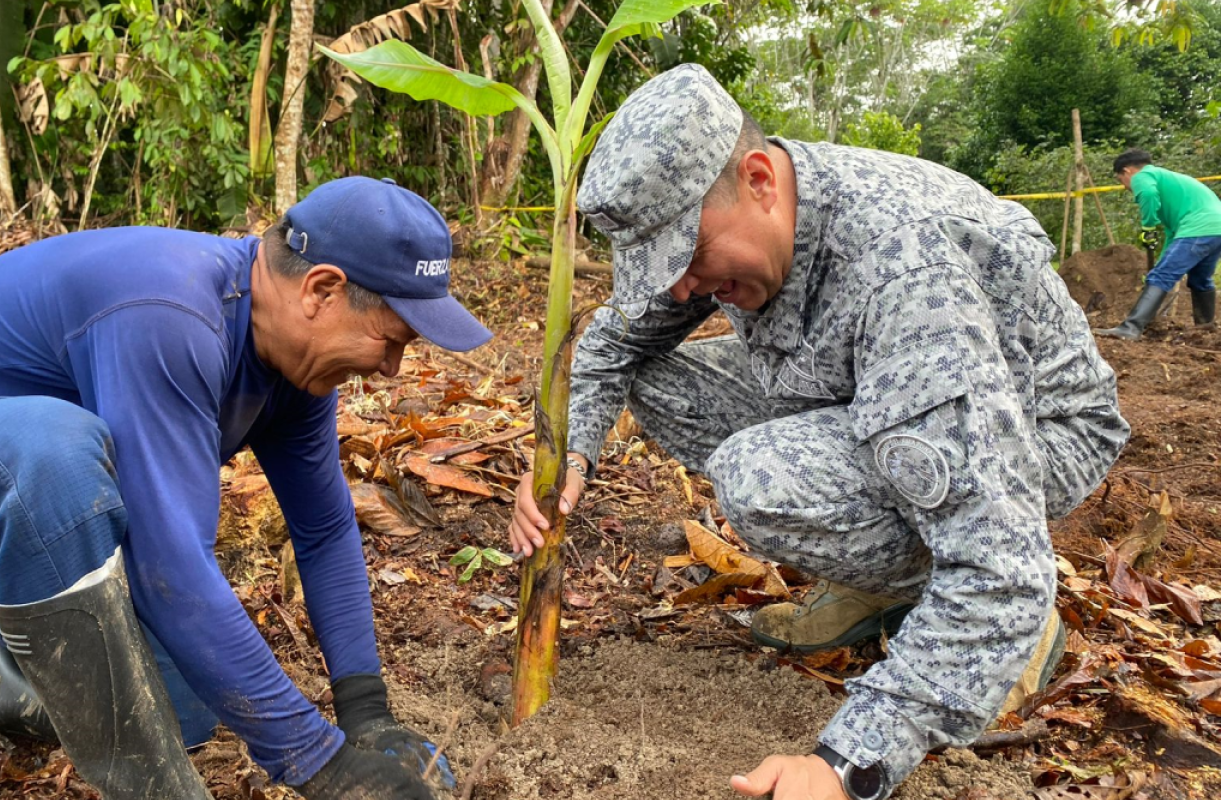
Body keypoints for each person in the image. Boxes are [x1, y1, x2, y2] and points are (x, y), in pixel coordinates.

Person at [507, 65, 1129, 800]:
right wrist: (570, 457)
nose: (679, 288)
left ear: (761, 179)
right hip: (869, 389)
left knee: (763, 478)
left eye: (687, 256)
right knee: (657, 374)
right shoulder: (749, 222)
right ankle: (876, 579)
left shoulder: (904, 271)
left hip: (1033, 430)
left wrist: (846, 764)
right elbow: (615, 342)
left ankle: (989, 623)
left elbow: (999, 566)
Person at [0, 176, 491, 799]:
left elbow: (324, 527)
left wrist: (367, 718)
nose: (390, 368)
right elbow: (169, 568)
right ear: (321, 289)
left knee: (183, 710)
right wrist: (323, 768)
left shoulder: (291, 361)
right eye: (389, 340)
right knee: (50, 448)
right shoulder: (168, 313)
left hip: (13, 530)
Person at [1094, 148, 1221, 340]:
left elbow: (1148, 194)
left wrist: (1148, 227)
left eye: (1121, 180)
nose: (1125, 187)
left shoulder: (1143, 175)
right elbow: (1172, 236)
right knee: (1199, 280)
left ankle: (1131, 328)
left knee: (1162, 276)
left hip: (1198, 227)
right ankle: (1205, 328)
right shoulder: (1166, 180)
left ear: (1127, 171)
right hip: (1215, 228)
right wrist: (1161, 266)